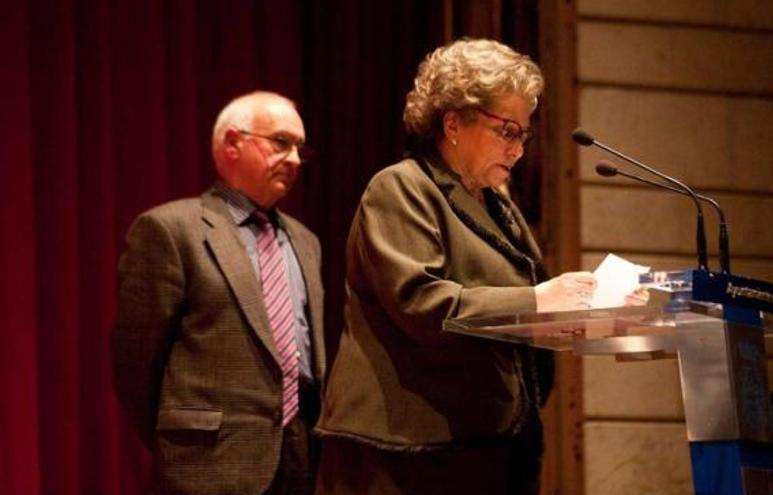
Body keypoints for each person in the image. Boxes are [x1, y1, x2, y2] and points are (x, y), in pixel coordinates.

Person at [313, 39, 602, 495]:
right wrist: (537, 302)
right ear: (453, 123)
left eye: (523, 134)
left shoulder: (497, 205)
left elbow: (514, 311)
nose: (518, 150)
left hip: (487, 446)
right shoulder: (400, 189)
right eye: (507, 130)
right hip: (405, 454)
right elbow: (422, 304)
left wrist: (570, 320)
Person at [112, 91, 325, 495]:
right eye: (281, 142)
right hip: (207, 466)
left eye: (300, 148)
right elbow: (135, 362)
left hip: (299, 464)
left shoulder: (306, 241)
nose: (295, 159)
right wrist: (181, 438)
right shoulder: (171, 230)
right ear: (232, 143)